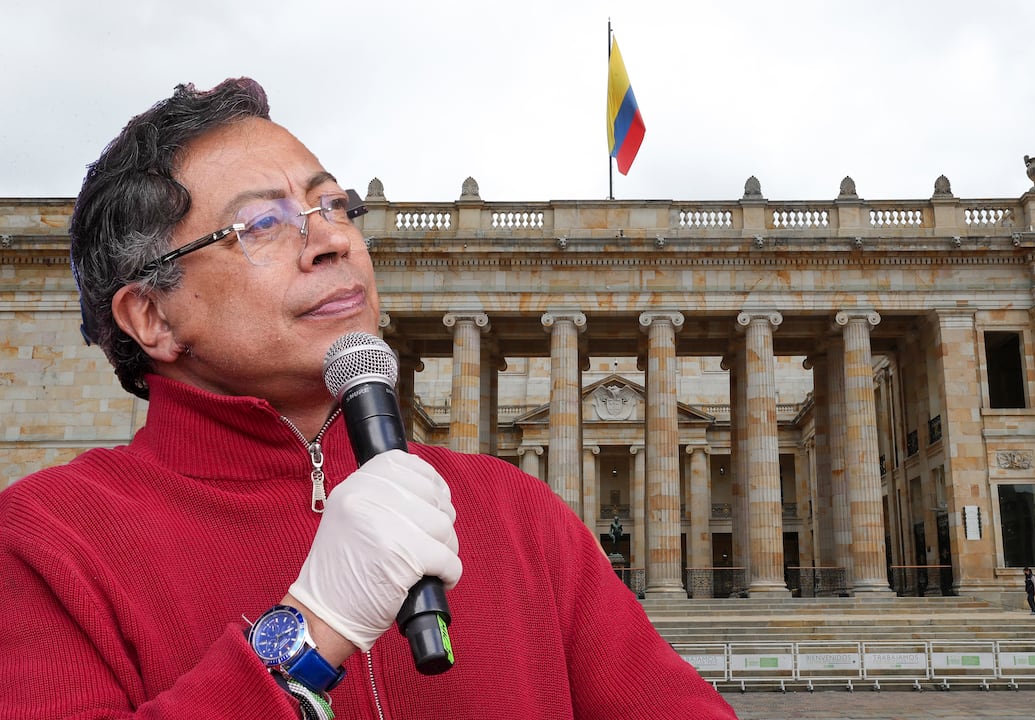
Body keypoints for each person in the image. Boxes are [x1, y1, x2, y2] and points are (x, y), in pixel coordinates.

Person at [0, 78, 737, 720]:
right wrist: (307, 635)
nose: (331, 240)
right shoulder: (46, 544)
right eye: (263, 223)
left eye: (333, 206)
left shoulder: (518, 515)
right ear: (152, 317)